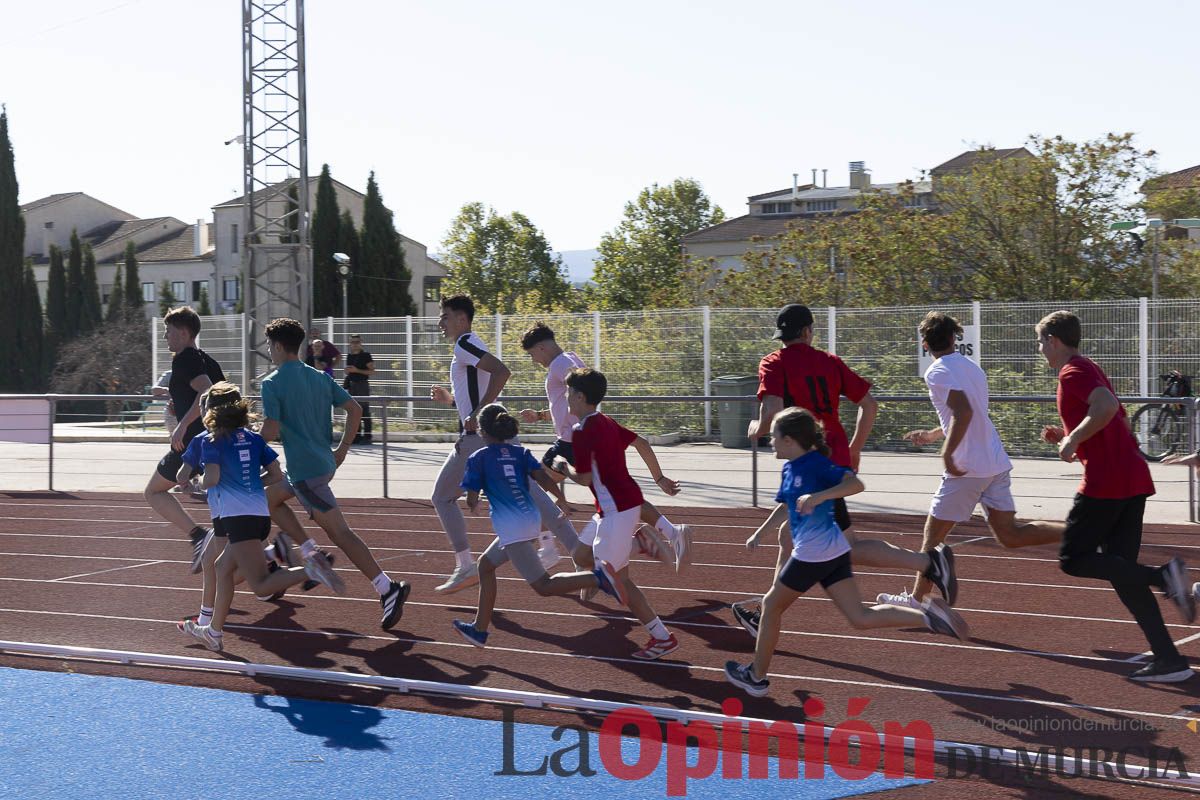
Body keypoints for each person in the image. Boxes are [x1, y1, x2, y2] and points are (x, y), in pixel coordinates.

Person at [733, 304, 956, 636]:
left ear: (783, 335)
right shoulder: (829, 362)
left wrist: (756, 427)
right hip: (832, 456)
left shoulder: (773, 363)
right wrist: (854, 447)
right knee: (790, 537)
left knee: (845, 546)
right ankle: (767, 611)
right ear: (808, 331)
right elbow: (869, 403)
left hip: (813, 465)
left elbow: (772, 414)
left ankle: (928, 563)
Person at [724, 407, 970, 697]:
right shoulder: (789, 468)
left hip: (812, 556)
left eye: (774, 437)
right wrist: (760, 533)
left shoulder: (817, 465)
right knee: (860, 617)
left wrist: (820, 496)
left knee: (771, 606)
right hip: (833, 553)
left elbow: (855, 483)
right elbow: (786, 506)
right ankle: (929, 617)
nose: (770, 442)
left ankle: (756, 677)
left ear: (790, 440)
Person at [1036, 310, 1193, 683]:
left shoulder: (1073, 371)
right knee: (1124, 573)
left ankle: (1164, 576)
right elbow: (1116, 420)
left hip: (1107, 483)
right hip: (1131, 478)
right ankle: (1170, 660)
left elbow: (1106, 407)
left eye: (1041, 341)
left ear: (1054, 341)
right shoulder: (1089, 366)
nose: (1039, 349)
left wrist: (1074, 439)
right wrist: (1069, 432)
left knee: (1074, 558)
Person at [877, 312, 1065, 607]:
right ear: (954, 338)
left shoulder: (936, 372)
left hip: (967, 466)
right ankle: (1078, 533)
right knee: (1010, 535)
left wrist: (947, 452)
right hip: (994, 461)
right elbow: (967, 414)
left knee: (933, 536)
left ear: (925, 344)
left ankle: (917, 599)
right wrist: (933, 435)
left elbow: (963, 413)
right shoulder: (973, 368)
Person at [259, 317, 413, 630]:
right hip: (321, 464)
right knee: (271, 499)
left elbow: (271, 429)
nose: (269, 352)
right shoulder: (319, 377)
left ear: (276, 346)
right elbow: (355, 409)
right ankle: (309, 552)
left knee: (340, 532)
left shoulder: (271, 382)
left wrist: (244, 443)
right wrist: (342, 450)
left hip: (306, 472)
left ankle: (387, 588)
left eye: (268, 346)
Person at [428, 295, 581, 594]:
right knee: (536, 499)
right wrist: (453, 402)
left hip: (479, 440)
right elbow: (480, 390)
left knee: (442, 498)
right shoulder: (472, 344)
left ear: (461, 318)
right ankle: (580, 556)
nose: (440, 323)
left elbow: (502, 372)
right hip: (490, 434)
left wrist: (477, 413)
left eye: (445, 316)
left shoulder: (464, 344)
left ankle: (466, 565)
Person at [518, 322, 694, 571]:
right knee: (619, 490)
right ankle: (672, 532)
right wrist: (541, 415)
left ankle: (551, 549)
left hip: (570, 442)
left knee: (533, 489)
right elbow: (567, 404)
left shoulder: (559, 365)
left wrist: (567, 460)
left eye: (532, 354)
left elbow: (577, 395)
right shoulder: (570, 358)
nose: (534, 361)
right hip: (583, 433)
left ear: (542, 347)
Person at [177, 382, 338, 651]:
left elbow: (210, 477)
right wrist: (249, 481)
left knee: (261, 586)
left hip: (237, 518)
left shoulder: (209, 440)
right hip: (260, 514)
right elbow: (276, 475)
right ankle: (213, 632)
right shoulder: (253, 439)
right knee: (220, 568)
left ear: (210, 412)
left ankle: (312, 569)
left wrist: (194, 483)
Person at [450, 404, 623, 647]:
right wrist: (561, 500)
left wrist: (472, 502)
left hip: (513, 528)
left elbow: (470, 494)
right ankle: (479, 629)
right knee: (485, 566)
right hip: (530, 519)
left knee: (543, 586)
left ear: (482, 432)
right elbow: (542, 476)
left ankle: (599, 578)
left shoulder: (478, 458)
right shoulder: (520, 453)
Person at [554, 367, 687, 660]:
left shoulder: (581, 431)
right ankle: (637, 543)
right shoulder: (606, 421)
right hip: (617, 507)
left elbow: (586, 479)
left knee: (618, 581)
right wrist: (659, 478)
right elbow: (641, 443)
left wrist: (565, 470)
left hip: (616, 511)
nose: (565, 399)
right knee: (580, 554)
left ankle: (662, 637)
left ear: (578, 396)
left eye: (567, 394)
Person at [142, 306, 225, 574]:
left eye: (168, 331)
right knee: (231, 510)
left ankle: (198, 536)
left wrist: (182, 426)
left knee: (153, 492)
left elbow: (206, 390)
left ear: (184, 332)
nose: (165, 337)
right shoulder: (206, 360)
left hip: (191, 444)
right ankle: (270, 556)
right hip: (217, 442)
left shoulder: (185, 359)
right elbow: (213, 394)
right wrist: (175, 399)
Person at [344, 333, 374, 444]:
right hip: (352, 385)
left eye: (357, 342)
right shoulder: (349, 356)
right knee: (353, 411)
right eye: (353, 342)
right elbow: (350, 372)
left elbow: (372, 371)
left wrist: (357, 370)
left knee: (364, 410)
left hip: (362, 384)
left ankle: (367, 436)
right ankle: (356, 436)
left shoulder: (366, 355)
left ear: (361, 343)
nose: (355, 345)